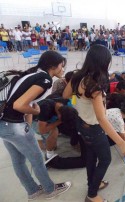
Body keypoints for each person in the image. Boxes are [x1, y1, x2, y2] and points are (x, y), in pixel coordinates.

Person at [63, 44, 125, 202]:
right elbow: (102, 119)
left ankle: (92, 184)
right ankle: (92, 195)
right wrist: (121, 143)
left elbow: (66, 94)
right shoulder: (95, 87)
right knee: (105, 159)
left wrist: (80, 102)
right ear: (104, 63)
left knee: (91, 155)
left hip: (81, 123)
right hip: (94, 129)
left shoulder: (77, 76)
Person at [0, 51, 71, 200]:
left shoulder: (34, 74)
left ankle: (32, 191)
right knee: (37, 158)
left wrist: (28, 126)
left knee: (18, 161)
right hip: (13, 126)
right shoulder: (45, 79)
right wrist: (36, 110)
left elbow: (27, 101)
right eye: (61, 66)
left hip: (4, 125)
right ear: (53, 66)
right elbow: (19, 105)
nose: (63, 69)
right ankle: (50, 189)